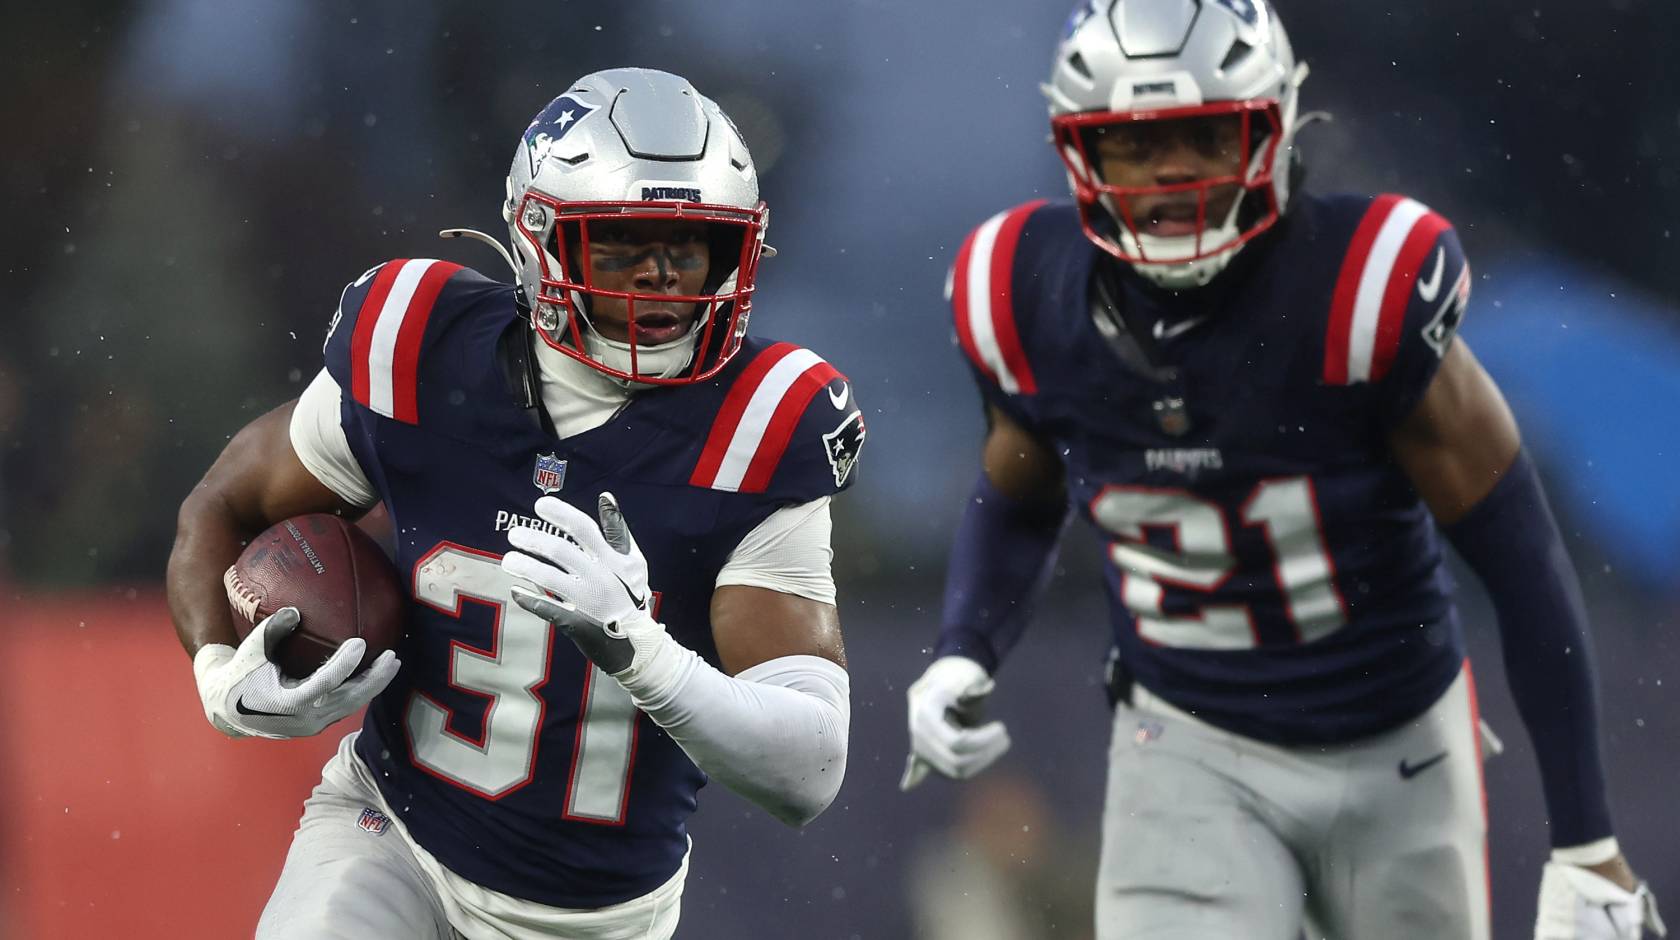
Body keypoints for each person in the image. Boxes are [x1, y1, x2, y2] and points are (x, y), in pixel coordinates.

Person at [900, 3, 1663, 939]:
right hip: (1185, 742)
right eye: (1138, 145)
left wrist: (1588, 847)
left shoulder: (1361, 287)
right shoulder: (1022, 296)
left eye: (1206, 137)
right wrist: (965, 645)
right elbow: (1019, 496)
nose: (1174, 176)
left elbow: (1523, 560)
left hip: (1399, 748)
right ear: (1079, 154)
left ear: (1272, 131)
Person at [166, 67, 865, 940]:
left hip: (595, 917)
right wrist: (214, 673)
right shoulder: (419, 348)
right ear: (538, 239)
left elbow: (808, 772)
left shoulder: (761, 426)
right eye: (624, 245)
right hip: (390, 833)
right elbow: (223, 506)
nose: (663, 282)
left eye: (690, 247)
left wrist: (643, 655)